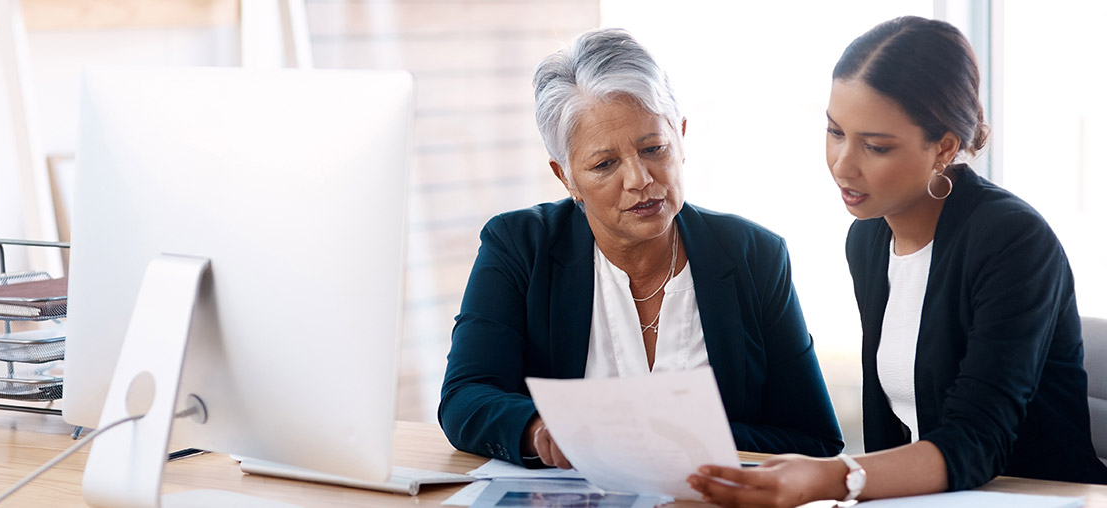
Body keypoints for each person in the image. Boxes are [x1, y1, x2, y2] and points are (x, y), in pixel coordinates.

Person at [688, 16, 1107, 507]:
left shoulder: (1011, 240)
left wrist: (830, 478)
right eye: (834, 131)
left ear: (945, 147)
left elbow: (978, 442)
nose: (843, 164)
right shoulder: (867, 240)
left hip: (1039, 496)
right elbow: (893, 431)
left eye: (876, 146)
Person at [438, 28, 843, 470]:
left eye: (654, 148)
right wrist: (539, 430)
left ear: (681, 136)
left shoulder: (755, 255)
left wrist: (676, 439)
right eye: (604, 164)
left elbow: (813, 437)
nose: (640, 179)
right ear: (566, 176)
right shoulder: (519, 246)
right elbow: (466, 396)